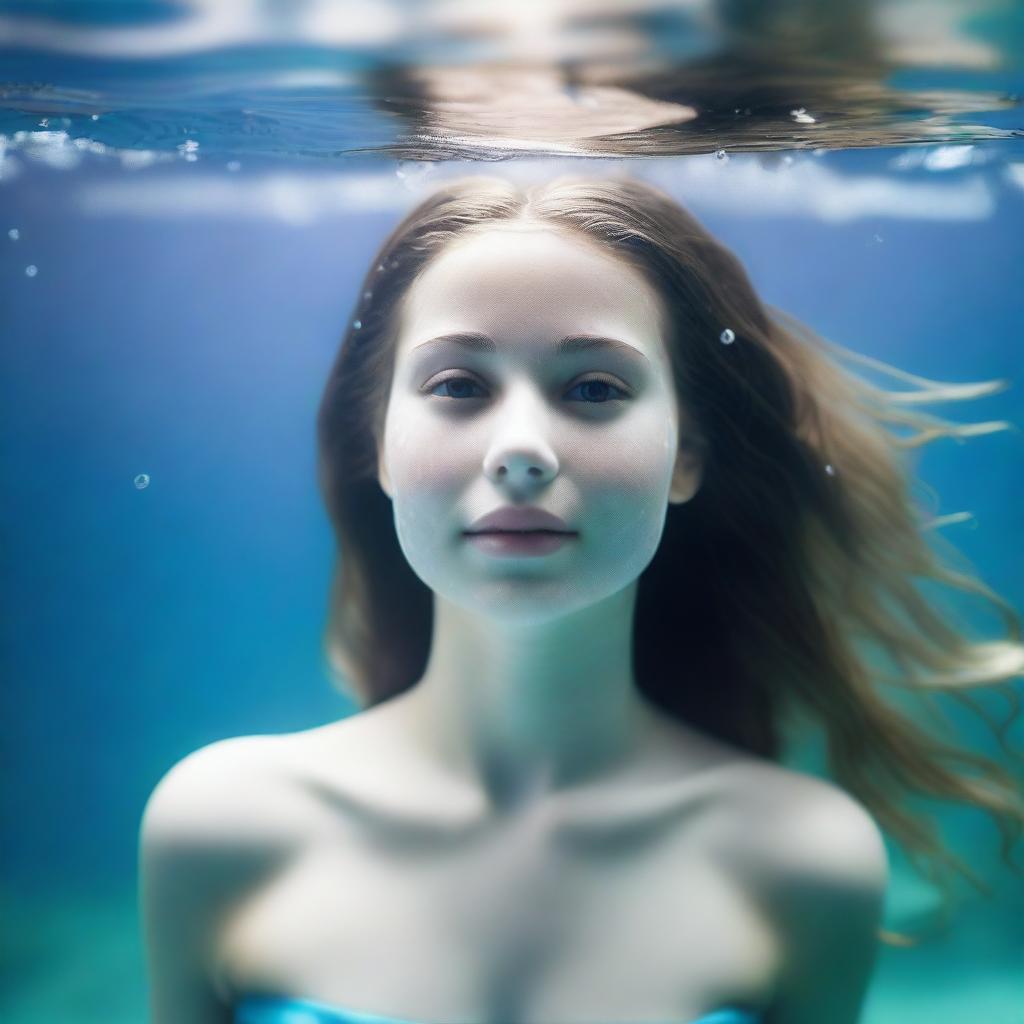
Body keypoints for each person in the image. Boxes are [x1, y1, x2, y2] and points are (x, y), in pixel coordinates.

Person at [139, 175, 1024, 1024]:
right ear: (379, 445)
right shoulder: (217, 826)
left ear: (687, 455)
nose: (519, 451)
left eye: (594, 389)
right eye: (458, 387)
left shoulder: (807, 864)